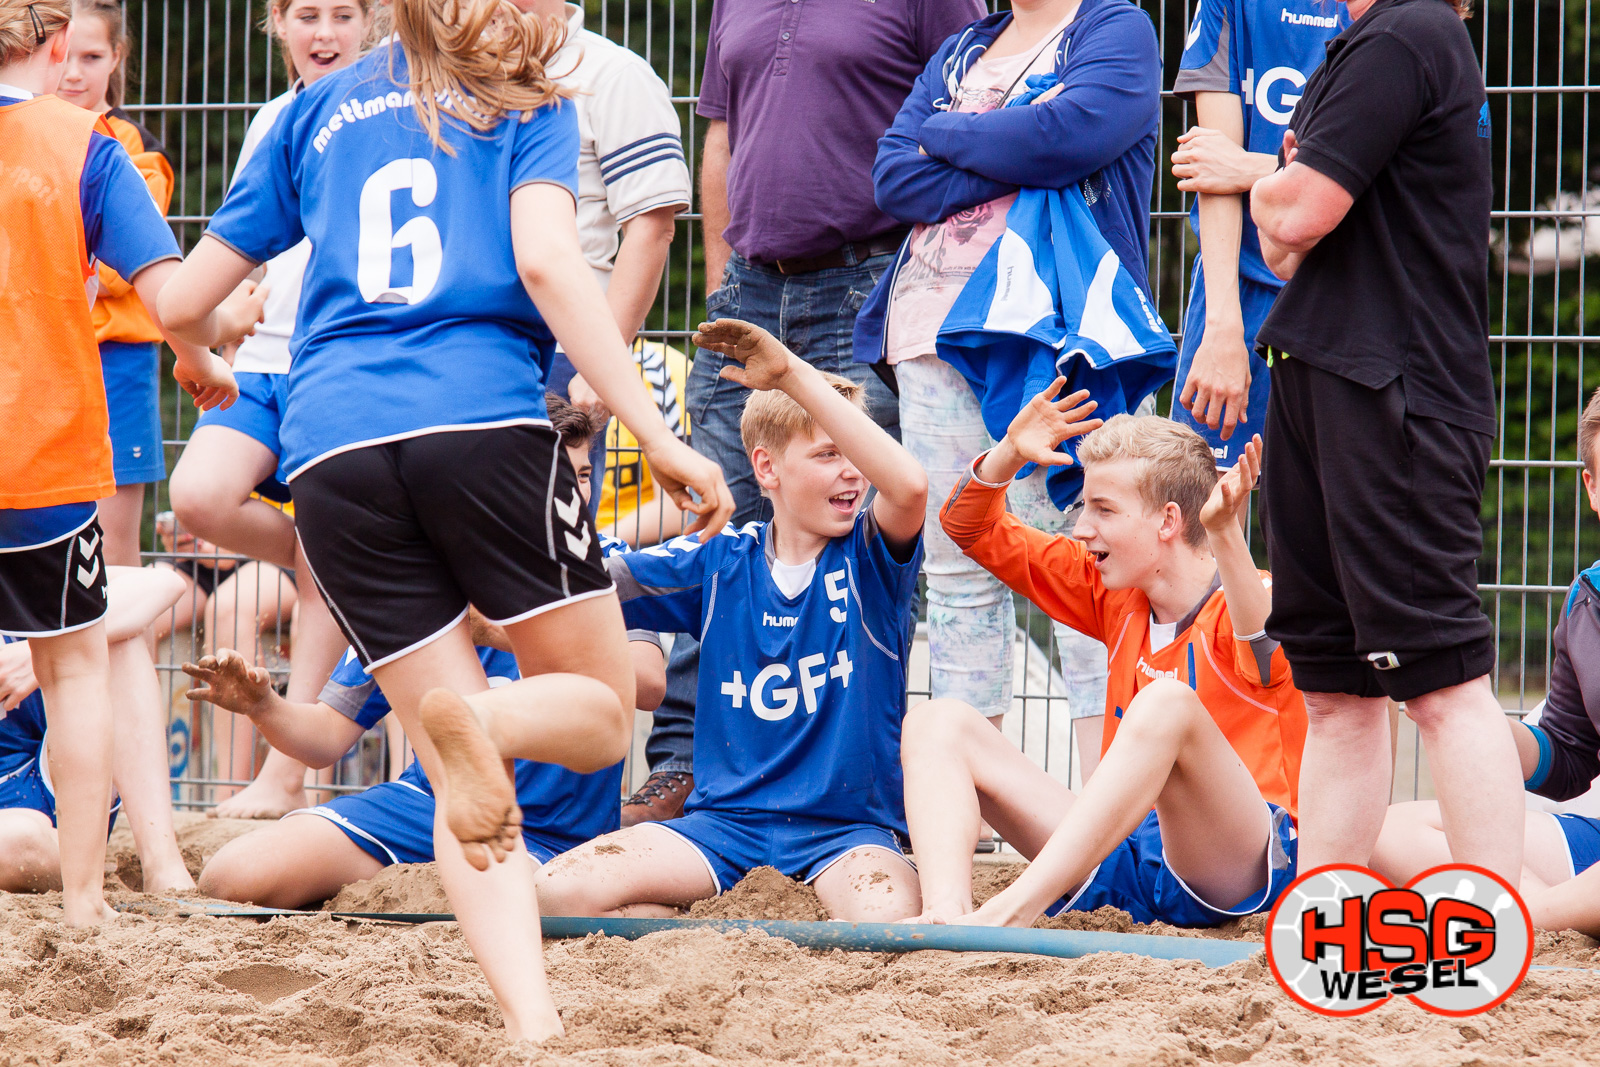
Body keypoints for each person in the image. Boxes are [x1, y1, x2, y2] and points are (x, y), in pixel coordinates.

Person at [155, 0, 730, 1039]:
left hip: (329, 448)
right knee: (598, 711)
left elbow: (180, 300)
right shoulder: (526, 97)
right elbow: (554, 268)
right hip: (478, 414)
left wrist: (204, 357)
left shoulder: (309, 109)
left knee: (461, 776)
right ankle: (488, 720)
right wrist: (663, 431)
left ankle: (532, 1023)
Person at [625, 0, 984, 828]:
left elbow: (966, 123)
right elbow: (720, 138)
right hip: (753, 284)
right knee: (716, 524)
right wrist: (723, 279)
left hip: (867, 277)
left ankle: (858, 776)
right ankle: (684, 761)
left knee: (870, 525)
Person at [191, 395, 667, 908]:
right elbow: (326, 737)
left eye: (583, 474)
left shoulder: (604, 566)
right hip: (424, 806)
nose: (574, 490)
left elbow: (646, 683)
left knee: (534, 902)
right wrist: (265, 707)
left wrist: (499, 630)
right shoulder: (425, 577)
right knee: (232, 876)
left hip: (552, 836)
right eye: (559, 473)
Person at [1248, 0, 1522, 881]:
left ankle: (1488, 930)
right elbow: (1289, 246)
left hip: (1392, 385)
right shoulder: (1367, 45)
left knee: (1440, 682)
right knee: (1333, 688)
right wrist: (1280, 194)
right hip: (1328, 372)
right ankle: (1320, 917)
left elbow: (1291, 220)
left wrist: (1258, 183)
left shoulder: (1409, 32)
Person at [858, 0, 1164, 781]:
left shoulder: (1116, 28)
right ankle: (978, 810)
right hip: (930, 335)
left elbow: (1073, 137)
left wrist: (948, 133)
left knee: (1101, 565)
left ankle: (1114, 808)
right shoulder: (968, 44)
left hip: (1065, 337)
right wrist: (1018, 137)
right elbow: (893, 175)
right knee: (959, 576)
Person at [536, 318, 927, 921]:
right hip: (722, 829)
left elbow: (909, 486)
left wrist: (791, 374)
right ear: (766, 469)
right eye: (828, 455)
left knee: (887, 918)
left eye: (856, 453)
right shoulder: (722, 560)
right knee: (558, 889)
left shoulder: (870, 555)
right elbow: (594, 574)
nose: (853, 471)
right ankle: (675, 918)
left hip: (844, 835)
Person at [0, 0, 240, 927]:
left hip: (46, 446)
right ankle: (87, 906)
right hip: (45, 450)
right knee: (75, 672)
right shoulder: (88, 145)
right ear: (57, 47)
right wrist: (205, 350)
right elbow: (172, 296)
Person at [906, 403, 1306, 927]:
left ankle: (1008, 912)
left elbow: (1264, 647)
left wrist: (1228, 533)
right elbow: (968, 527)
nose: (1081, 528)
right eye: (1083, 506)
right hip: (1132, 861)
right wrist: (1006, 454)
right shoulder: (1113, 592)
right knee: (936, 723)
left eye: (1103, 509)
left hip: (1241, 872)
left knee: (1165, 706)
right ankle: (945, 915)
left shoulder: (1253, 599)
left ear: (1168, 520)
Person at [166, 0, 368, 820]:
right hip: (262, 361)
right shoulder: (273, 119)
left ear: (375, 23)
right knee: (199, 495)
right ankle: (316, 561)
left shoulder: (383, 110)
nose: (325, 34)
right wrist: (226, 320)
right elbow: (247, 245)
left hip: (335, 365)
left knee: (321, 557)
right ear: (276, 25)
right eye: (307, 15)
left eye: (345, 15)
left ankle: (285, 780)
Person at [1374, 389, 1600, 933]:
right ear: (1592, 487)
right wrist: (1462, 713)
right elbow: (1568, 756)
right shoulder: (1586, 600)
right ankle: (1550, 925)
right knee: (1385, 833)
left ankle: (1517, 925)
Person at [525, 0, 690, 507]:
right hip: (467, 339)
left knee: (554, 545)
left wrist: (603, 364)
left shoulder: (614, 74)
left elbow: (653, 224)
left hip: (563, 346)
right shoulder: (461, 74)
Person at [1167, 0, 1345, 458]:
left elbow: (1381, 177)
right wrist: (1223, 327)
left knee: (1332, 511)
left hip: (1345, 288)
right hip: (1238, 283)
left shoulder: (1389, 15)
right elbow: (1212, 168)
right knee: (1202, 501)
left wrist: (1251, 167)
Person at [55, 0, 176, 567]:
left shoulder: (134, 150)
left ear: (117, 57)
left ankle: (124, 655)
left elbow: (118, 269)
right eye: (63, 54)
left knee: (112, 544)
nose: (74, 72)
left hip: (116, 365)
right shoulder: (28, 136)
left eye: (93, 56)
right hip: (42, 360)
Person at [0, 567, 197, 896]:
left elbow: (163, 583)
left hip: (64, 770)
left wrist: (31, 656)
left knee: (108, 629)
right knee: (20, 843)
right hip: (12, 826)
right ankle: (83, 866)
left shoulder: (24, 567)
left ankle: (162, 864)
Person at [148, 514, 299, 806]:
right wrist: (184, 532)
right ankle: (141, 785)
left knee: (228, 609)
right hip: (206, 550)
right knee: (137, 608)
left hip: (275, 550)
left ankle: (231, 791)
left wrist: (230, 541)